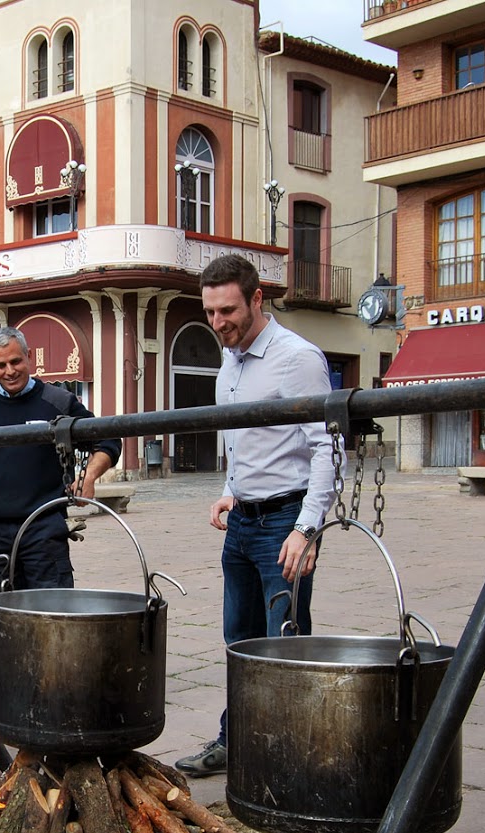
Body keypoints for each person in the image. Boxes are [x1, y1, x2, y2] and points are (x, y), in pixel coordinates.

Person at [176, 253, 337, 777]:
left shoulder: (298, 358)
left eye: (228, 310)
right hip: (243, 522)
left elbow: (327, 447)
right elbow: (247, 438)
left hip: (285, 524)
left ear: (257, 300)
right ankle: (237, 740)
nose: (219, 322)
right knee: (239, 642)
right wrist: (231, 488)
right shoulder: (230, 358)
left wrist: (306, 529)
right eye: (211, 312)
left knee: (284, 646)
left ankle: (289, 756)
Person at [0, 326, 120, 598]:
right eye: (1, 365)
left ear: (29, 357)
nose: (10, 371)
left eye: (16, 361)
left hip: (44, 527)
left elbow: (108, 440)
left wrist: (88, 477)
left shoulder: (59, 403)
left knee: (51, 609)